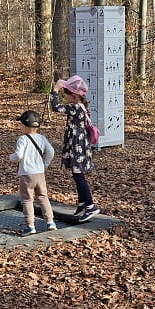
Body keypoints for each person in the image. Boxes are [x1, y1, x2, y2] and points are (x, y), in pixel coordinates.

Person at [51, 74, 100, 221]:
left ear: (73, 95)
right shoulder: (82, 107)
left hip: (77, 147)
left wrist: (55, 90)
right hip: (80, 146)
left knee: (79, 176)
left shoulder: (76, 108)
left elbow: (55, 107)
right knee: (76, 174)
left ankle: (91, 206)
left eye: (66, 95)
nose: (65, 98)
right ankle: (82, 203)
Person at [9, 110, 56, 236]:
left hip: (27, 174)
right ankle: (50, 222)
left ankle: (30, 226)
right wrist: (45, 164)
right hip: (40, 173)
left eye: (21, 125)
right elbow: (51, 151)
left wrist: (11, 157)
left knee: (27, 200)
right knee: (43, 197)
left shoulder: (22, 139)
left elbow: (18, 155)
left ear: (24, 126)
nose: (20, 127)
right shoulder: (42, 138)